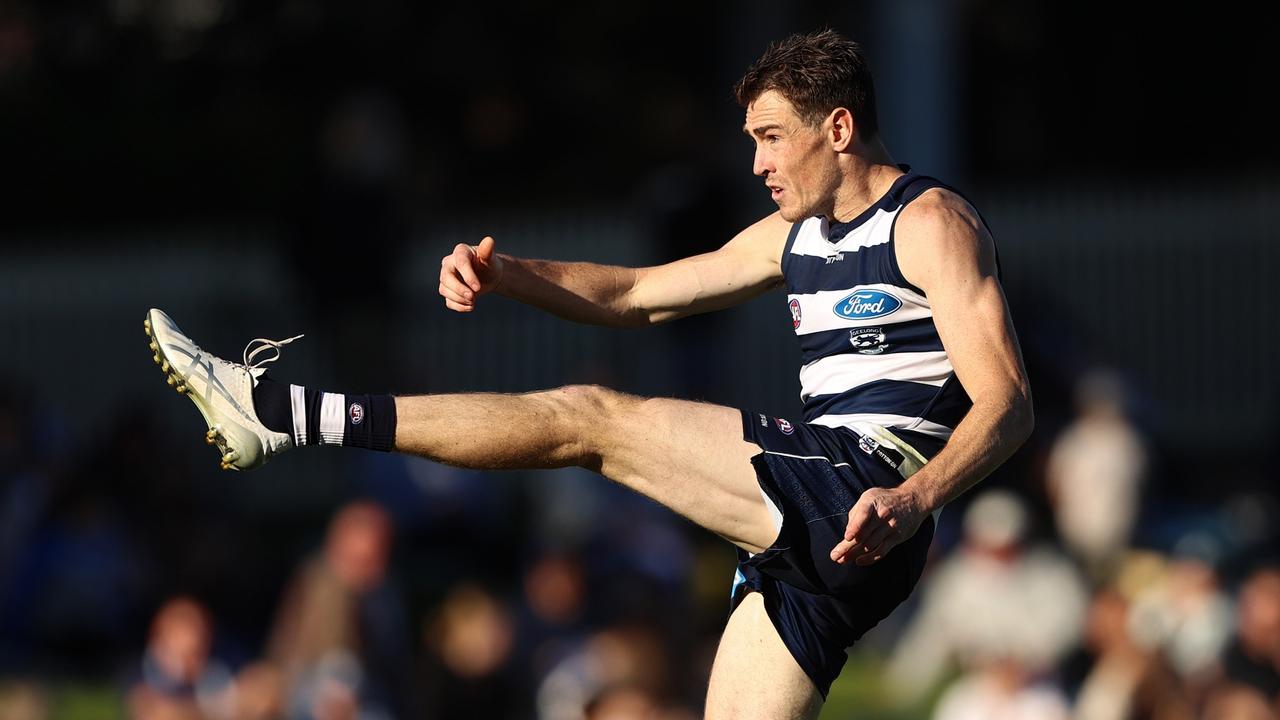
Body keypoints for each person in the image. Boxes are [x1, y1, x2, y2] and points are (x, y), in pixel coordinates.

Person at [143, 29, 1033, 719]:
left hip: (864, 487)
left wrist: (914, 500)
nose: (757, 162)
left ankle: (279, 411)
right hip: (824, 538)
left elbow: (1008, 405)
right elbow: (639, 294)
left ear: (837, 129)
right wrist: (509, 274)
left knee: (591, 417)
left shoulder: (930, 223)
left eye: (772, 137)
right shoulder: (792, 235)